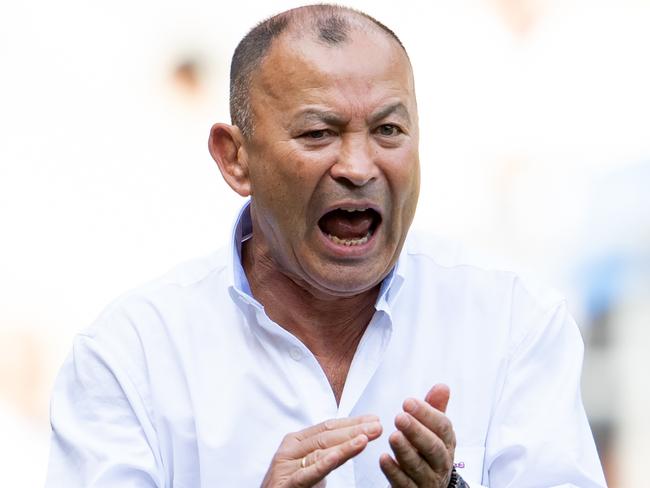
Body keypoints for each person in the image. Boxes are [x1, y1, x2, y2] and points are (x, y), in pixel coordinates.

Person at [45, 5, 606, 487]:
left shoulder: (514, 322)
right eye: (318, 133)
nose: (360, 168)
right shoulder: (130, 357)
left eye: (388, 130)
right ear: (235, 158)